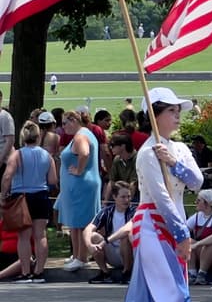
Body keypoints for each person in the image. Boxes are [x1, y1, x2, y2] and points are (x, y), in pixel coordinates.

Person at [108, 87, 205, 302]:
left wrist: (174, 162)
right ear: (155, 115)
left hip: (171, 225)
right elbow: (161, 198)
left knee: (163, 296)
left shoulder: (180, 149)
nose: (177, 116)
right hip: (152, 226)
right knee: (171, 295)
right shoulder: (147, 154)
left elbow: (197, 183)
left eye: (178, 111)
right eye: (171, 111)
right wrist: (181, 233)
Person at [1, 120, 57, 283]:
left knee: (23, 237)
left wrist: (4, 194)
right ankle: (39, 271)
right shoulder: (47, 155)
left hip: (21, 197)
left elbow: (7, 176)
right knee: (40, 235)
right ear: (38, 136)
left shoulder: (17, 154)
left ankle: (25, 272)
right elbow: (53, 179)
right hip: (41, 195)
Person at [54, 109, 102, 272]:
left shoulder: (80, 136)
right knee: (77, 223)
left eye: (65, 123)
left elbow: (84, 153)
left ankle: (80, 258)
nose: (63, 127)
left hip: (81, 185)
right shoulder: (86, 133)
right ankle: (78, 255)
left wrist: (79, 170)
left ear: (74, 120)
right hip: (81, 185)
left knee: (79, 223)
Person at [85, 182, 136, 283]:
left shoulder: (135, 212)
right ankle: (105, 273)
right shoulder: (106, 211)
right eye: (123, 197)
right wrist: (89, 245)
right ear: (114, 197)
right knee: (93, 236)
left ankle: (127, 273)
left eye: (129, 197)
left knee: (125, 237)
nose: (127, 200)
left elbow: (126, 230)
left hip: (130, 253)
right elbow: (88, 228)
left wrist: (105, 241)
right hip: (112, 252)